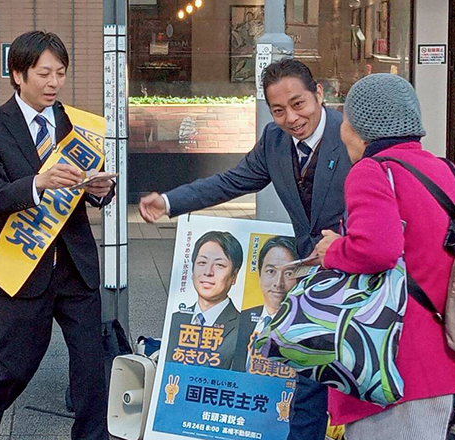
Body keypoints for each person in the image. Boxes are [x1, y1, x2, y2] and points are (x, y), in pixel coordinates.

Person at [139, 58, 352, 440]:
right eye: (279, 110)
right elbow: (230, 182)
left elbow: (382, 198)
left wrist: (346, 239)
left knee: (361, 374)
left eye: (299, 104)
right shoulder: (273, 141)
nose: (291, 117)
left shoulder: (350, 133)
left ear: (319, 93)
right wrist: (170, 202)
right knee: (309, 376)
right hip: (312, 281)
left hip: (357, 277)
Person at [0, 31, 115, 440]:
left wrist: (101, 191)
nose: (53, 83)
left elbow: (94, 185)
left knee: (90, 360)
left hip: (76, 264)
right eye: (44, 73)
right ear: (18, 74)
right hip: (22, 262)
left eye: (60, 73)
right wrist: (39, 182)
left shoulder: (77, 125)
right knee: (16, 363)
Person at [315, 73, 455, 440]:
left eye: (345, 119)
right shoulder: (448, 171)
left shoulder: (372, 171)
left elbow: (376, 249)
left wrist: (332, 250)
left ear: (360, 129)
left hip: (400, 368)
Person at [166, 231, 243, 370]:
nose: (208, 272)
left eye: (219, 265)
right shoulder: (175, 319)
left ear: (234, 275)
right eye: (202, 262)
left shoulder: (243, 328)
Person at [232, 235, 298, 372]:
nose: (278, 283)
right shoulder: (239, 319)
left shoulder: (306, 328)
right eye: (271, 271)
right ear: (260, 274)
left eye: (289, 273)